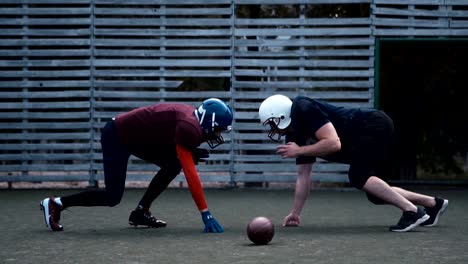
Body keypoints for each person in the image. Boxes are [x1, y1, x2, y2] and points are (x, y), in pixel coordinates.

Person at [258, 94, 449, 232]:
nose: (273, 129)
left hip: (374, 125)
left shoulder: (303, 107)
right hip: (364, 137)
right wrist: (295, 213)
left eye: (272, 123)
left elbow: (333, 143)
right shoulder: (294, 134)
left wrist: (299, 150)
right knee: (375, 194)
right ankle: (433, 204)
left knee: (358, 177)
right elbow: (303, 175)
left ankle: (412, 212)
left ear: (281, 115)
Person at [40, 98, 233, 233]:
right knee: (112, 197)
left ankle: (141, 212)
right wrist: (205, 213)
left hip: (139, 139)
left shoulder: (194, 122)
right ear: (210, 122)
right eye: (219, 130)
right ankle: (57, 203)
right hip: (117, 136)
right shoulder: (189, 127)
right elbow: (191, 175)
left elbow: (165, 138)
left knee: (173, 165)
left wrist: (186, 151)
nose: (218, 135)